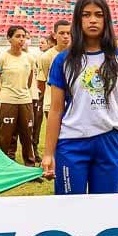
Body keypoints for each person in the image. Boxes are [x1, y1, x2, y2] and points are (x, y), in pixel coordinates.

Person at [42, 0, 118, 194]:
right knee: (69, 209)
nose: (93, 20)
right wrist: (48, 153)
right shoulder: (63, 60)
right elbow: (56, 109)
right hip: (71, 143)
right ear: (78, 20)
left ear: (107, 19)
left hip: (109, 142)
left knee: (104, 210)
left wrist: (102, 111)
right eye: (86, 15)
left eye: (99, 14)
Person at [0, 26, 37, 166]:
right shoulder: (2, 58)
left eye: (23, 36)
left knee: (27, 135)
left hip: (25, 100)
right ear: (9, 38)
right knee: (5, 136)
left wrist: (23, 91)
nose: (21, 39)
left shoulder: (29, 59)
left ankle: (30, 166)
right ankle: (4, 166)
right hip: (7, 100)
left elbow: (29, 80)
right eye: (17, 36)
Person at [36, 20, 71, 151]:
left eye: (68, 33)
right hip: (52, 104)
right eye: (62, 33)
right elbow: (42, 82)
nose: (66, 36)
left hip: (73, 105)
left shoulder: (77, 55)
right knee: (55, 139)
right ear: (54, 35)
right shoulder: (46, 57)